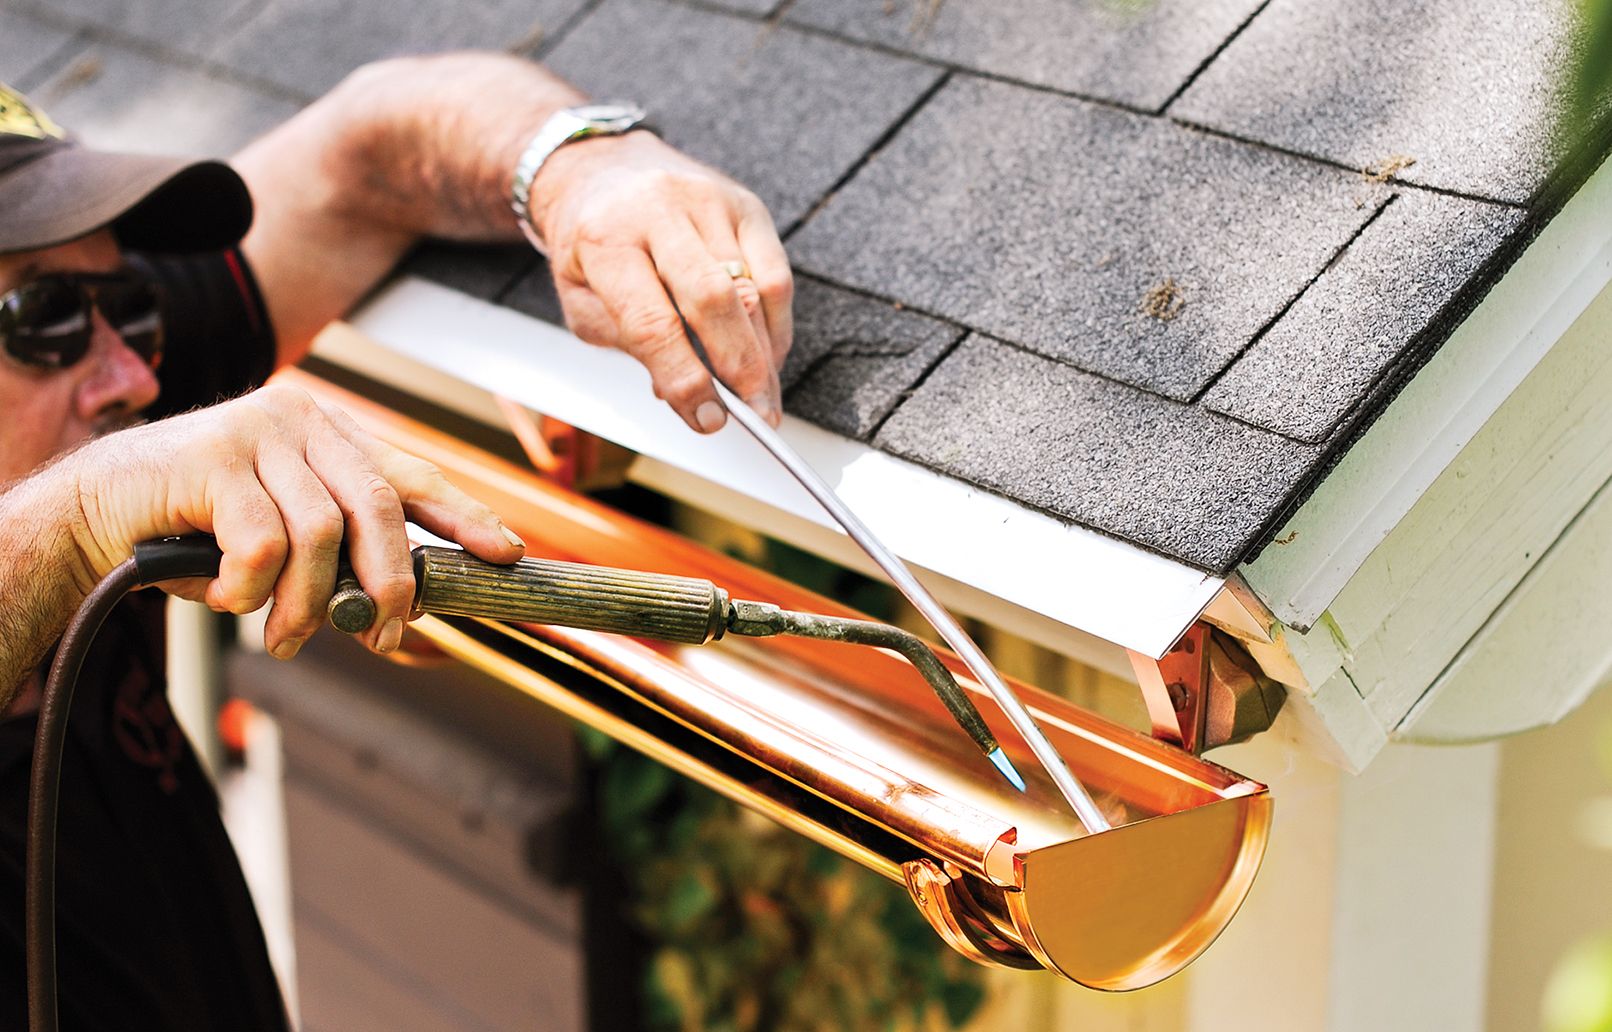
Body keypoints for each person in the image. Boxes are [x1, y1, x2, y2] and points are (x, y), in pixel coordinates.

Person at [0, 51, 793, 1028]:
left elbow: (367, 157)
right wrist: (81, 518)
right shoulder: (89, 475)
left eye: (125, 305)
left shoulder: (94, 398)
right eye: (39, 315)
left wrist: (583, 170)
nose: (131, 376)